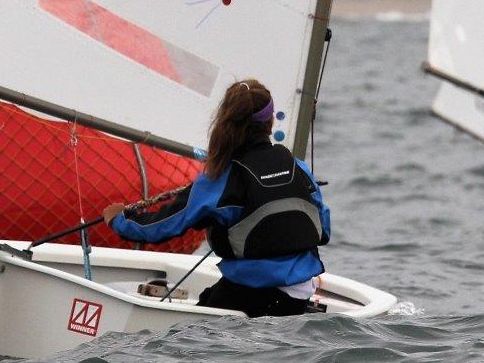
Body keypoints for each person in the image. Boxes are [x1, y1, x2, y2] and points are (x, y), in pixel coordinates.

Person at [102, 79, 329, 317]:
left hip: (254, 295)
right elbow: (324, 230)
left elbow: (162, 226)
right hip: (299, 297)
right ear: (271, 121)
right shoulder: (300, 168)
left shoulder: (221, 178)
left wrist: (118, 219)